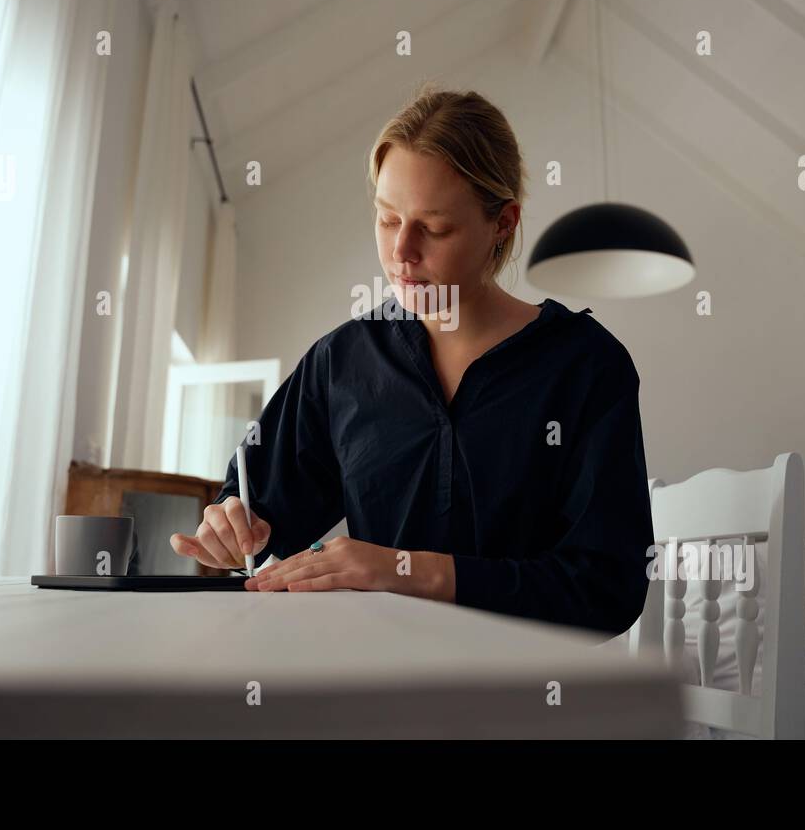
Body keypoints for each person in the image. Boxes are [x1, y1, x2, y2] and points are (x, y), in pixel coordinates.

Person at [169, 86, 654, 635]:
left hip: (528, 699)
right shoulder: (342, 362)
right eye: (386, 218)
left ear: (504, 223)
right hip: (375, 683)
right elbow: (257, 508)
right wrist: (231, 524)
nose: (401, 251)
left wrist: (404, 571)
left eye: (436, 227)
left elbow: (608, 587)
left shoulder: (587, 365)